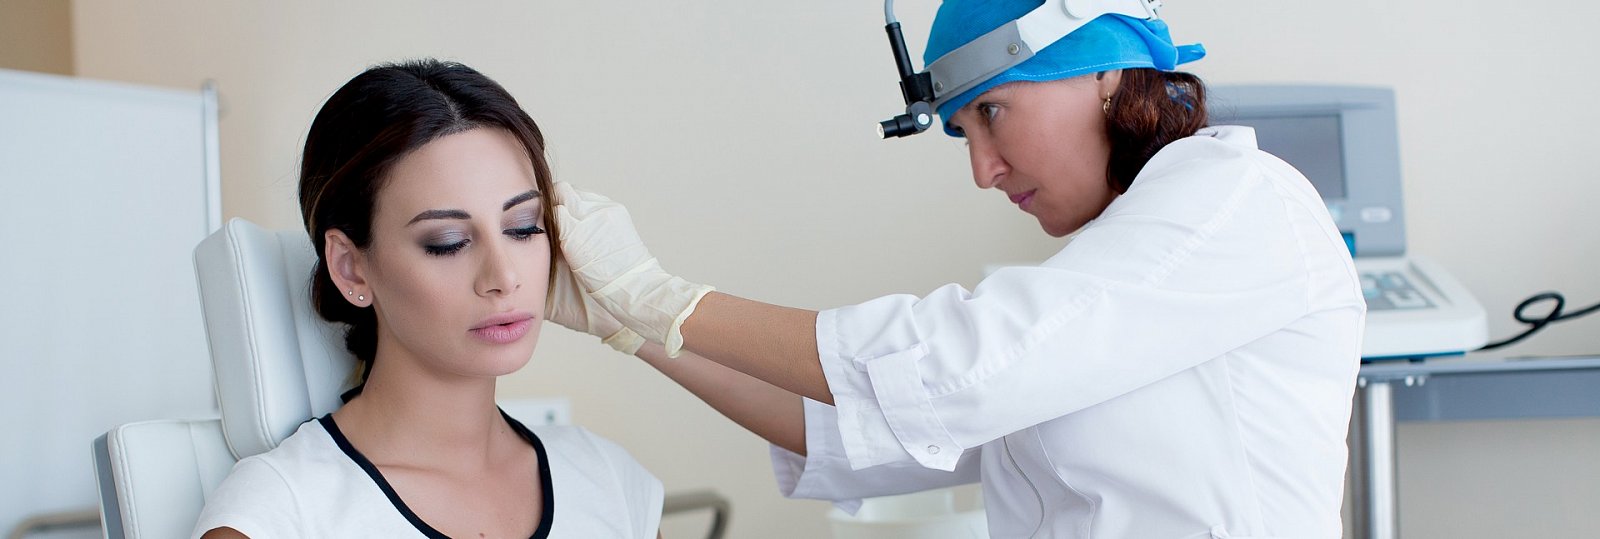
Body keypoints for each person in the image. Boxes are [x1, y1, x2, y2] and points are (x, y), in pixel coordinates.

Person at [546, 1, 1365, 537]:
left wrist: (662, 295)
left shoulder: (1235, 200)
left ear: (1101, 67)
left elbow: (950, 368)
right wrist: (634, 325)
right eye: (963, 133)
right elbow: (854, 427)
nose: (982, 170)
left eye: (991, 113)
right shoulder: (1100, 295)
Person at [193, 60, 662, 539]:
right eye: (447, 242)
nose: (504, 277)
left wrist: (643, 317)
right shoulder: (282, 512)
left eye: (523, 228)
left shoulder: (607, 479)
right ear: (351, 267)